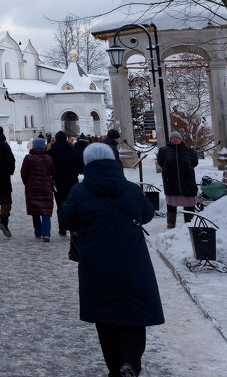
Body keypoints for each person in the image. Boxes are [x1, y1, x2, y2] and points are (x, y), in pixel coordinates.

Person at [60, 143, 164, 377]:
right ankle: (130, 363)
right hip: (133, 262)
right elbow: (147, 214)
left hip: (97, 264)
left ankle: (115, 367)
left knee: (105, 316)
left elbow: (66, 220)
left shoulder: (80, 192)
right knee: (134, 314)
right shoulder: (130, 189)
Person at [156, 131, 199, 229]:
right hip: (171, 181)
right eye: (173, 138)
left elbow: (194, 162)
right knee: (171, 204)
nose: (175, 139)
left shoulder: (189, 151)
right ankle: (171, 224)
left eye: (177, 138)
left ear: (180, 139)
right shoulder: (164, 151)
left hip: (187, 181)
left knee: (189, 203)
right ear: (170, 140)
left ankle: (189, 223)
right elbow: (161, 162)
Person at [48, 130, 84, 236]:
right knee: (73, 205)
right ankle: (73, 227)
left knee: (60, 206)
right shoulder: (74, 152)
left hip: (57, 183)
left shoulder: (51, 153)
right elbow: (81, 167)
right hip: (72, 182)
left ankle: (62, 227)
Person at [21, 136, 56, 241]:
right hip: (46, 187)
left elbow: (23, 173)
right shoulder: (48, 158)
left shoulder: (28, 158)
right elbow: (53, 173)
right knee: (46, 210)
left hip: (32, 187)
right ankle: (46, 234)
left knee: (35, 210)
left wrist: (27, 183)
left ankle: (38, 232)